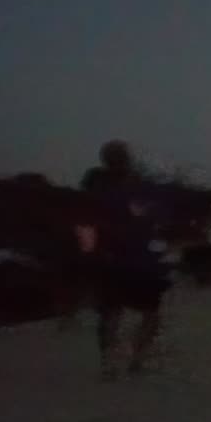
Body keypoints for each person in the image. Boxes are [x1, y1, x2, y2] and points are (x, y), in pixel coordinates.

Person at [76, 140, 171, 379]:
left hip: (110, 257)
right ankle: (137, 358)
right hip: (140, 258)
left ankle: (109, 362)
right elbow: (153, 218)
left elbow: (85, 223)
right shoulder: (137, 185)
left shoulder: (93, 186)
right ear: (127, 158)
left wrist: (89, 253)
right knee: (150, 312)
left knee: (111, 312)